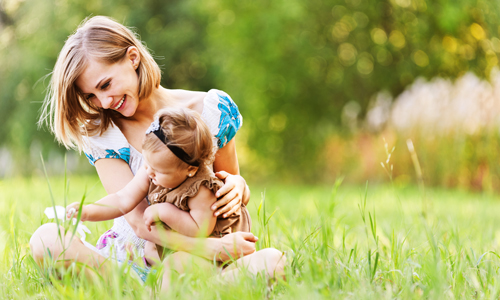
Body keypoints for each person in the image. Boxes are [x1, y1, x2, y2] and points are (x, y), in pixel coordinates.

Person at [30, 15, 285, 282]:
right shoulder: (104, 133)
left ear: (133, 58)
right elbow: (139, 221)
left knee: (273, 262)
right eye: (91, 96)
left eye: (105, 85)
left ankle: (185, 288)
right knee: (46, 241)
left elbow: (228, 188)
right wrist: (210, 247)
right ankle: (160, 291)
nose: (104, 102)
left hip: (201, 262)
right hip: (133, 265)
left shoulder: (211, 109)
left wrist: (238, 186)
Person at [66, 108, 252, 268]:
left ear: (190, 169)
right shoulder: (152, 169)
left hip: (214, 247)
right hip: (184, 247)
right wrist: (87, 211)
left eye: (158, 170)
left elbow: (199, 231)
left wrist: (164, 211)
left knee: (179, 263)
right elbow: (123, 199)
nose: (149, 172)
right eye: (147, 164)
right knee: (152, 252)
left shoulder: (201, 189)